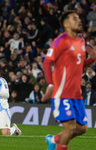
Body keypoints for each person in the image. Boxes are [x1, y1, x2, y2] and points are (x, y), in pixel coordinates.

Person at [42, 11, 96, 150]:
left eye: (79, 18)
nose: (79, 21)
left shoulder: (81, 41)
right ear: (66, 24)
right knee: (70, 126)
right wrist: (50, 84)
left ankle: (53, 140)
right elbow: (47, 62)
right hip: (62, 92)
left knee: (82, 128)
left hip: (76, 94)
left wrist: (93, 58)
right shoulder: (61, 40)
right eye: (74, 19)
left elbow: (79, 65)